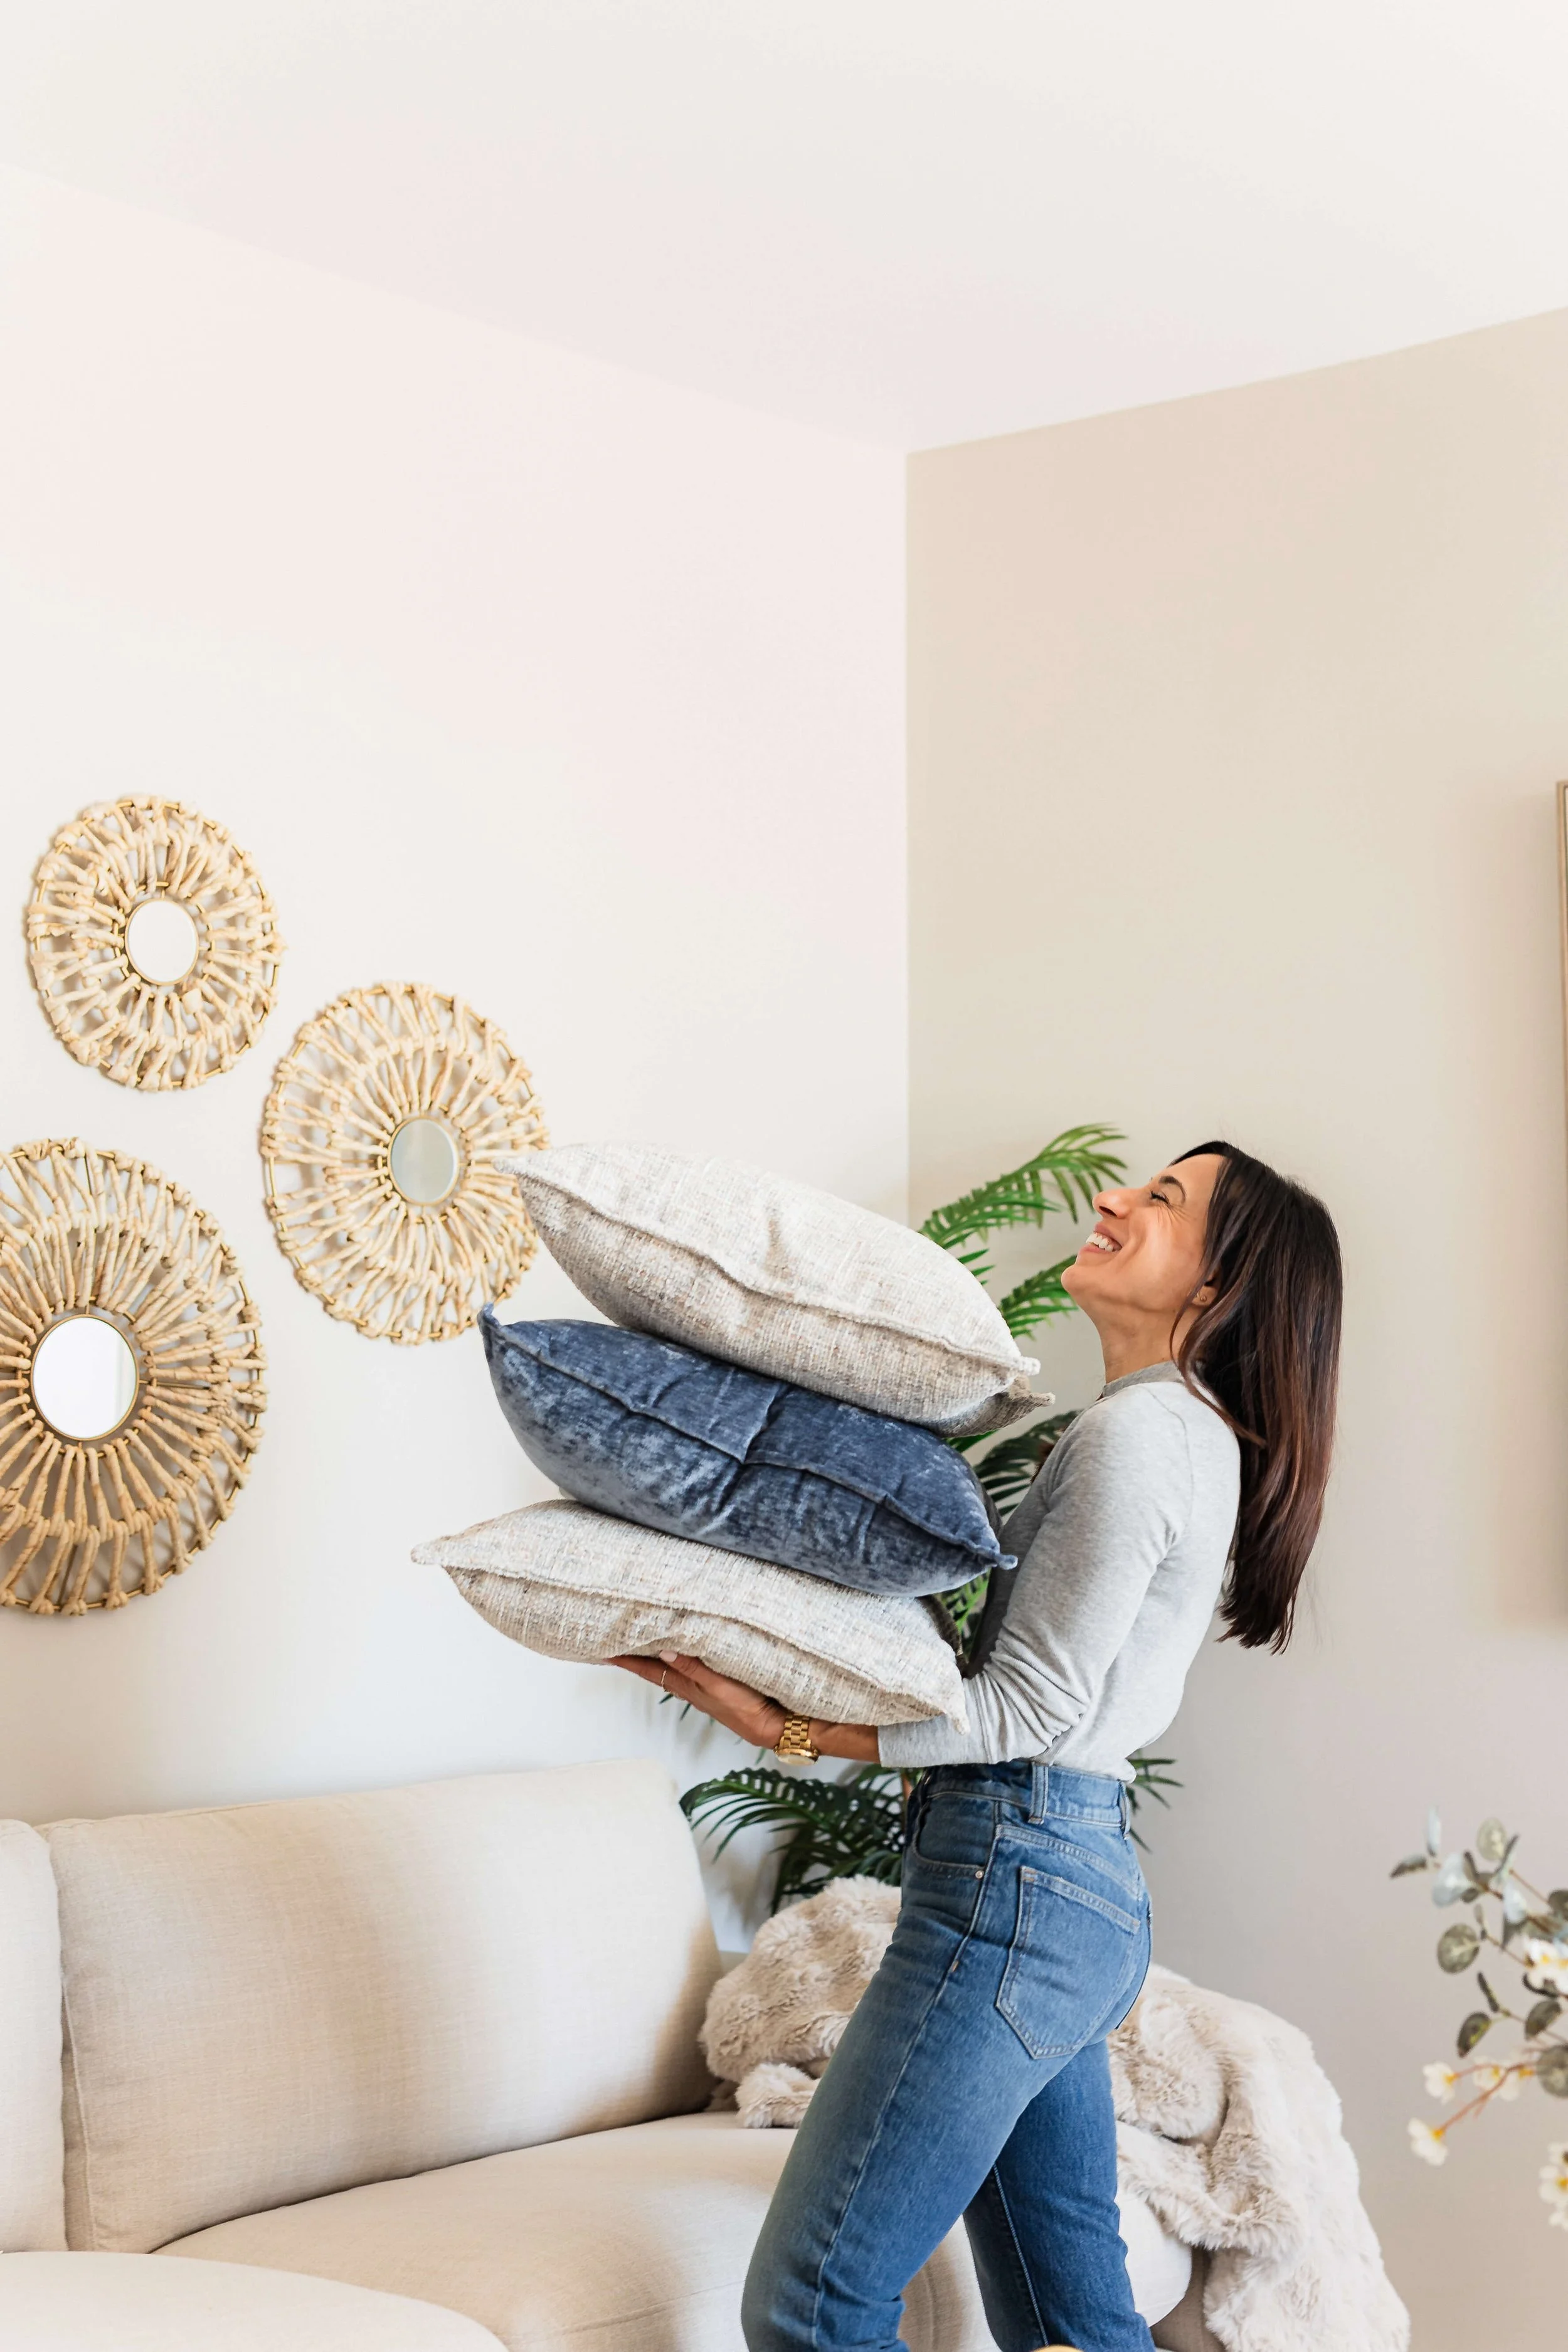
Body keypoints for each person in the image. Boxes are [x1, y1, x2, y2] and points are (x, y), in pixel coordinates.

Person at [614, 1142, 1342, 2352]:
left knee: (810, 2305)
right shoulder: (1189, 1435)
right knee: (1074, 2323)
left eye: (1161, 1199)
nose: (1112, 1197)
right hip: (1066, 1889)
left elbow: (1025, 1710)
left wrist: (783, 1726)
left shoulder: (1139, 1438)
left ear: (1219, 1289)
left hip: (1016, 1883)